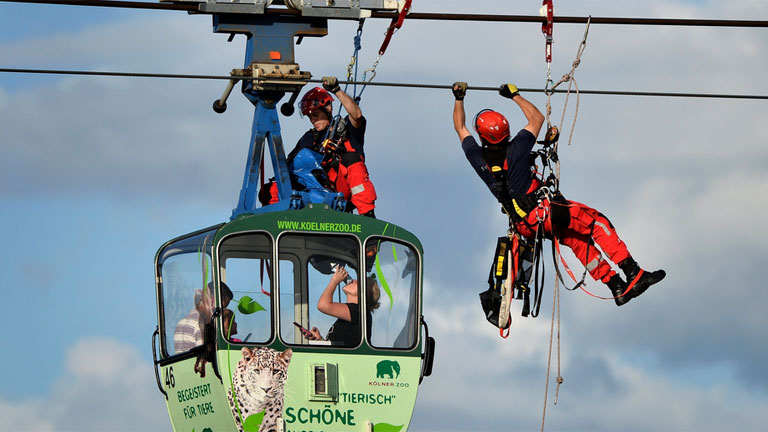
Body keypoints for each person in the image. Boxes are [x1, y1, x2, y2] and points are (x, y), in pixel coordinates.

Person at [451, 81, 665, 306]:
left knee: (578, 240)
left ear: (482, 136)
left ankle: (616, 286)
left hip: (526, 225)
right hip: (544, 213)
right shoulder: (518, 147)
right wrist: (514, 95)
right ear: (506, 133)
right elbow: (537, 118)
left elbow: (460, 127)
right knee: (596, 222)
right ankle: (632, 272)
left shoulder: (477, 159)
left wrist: (458, 98)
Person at [286, 76, 378, 217]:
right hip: (315, 193)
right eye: (310, 117)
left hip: (341, 192)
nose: (313, 120)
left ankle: (367, 215)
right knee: (278, 182)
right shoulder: (308, 138)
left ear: (328, 108)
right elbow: (289, 164)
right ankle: (274, 218)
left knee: (350, 158)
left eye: (316, 115)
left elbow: (356, 115)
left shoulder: (347, 129)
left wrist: (336, 90)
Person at [308, 266, 381, 346]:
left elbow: (323, 305)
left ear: (363, 293)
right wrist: (319, 339)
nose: (352, 280)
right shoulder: (353, 313)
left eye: (357, 282)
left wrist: (334, 281)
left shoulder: (359, 312)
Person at [174, 282, 234, 353]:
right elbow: (206, 355)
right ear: (212, 301)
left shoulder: (181, 322)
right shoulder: (201, 323)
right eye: (221, 309)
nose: (221, 314)